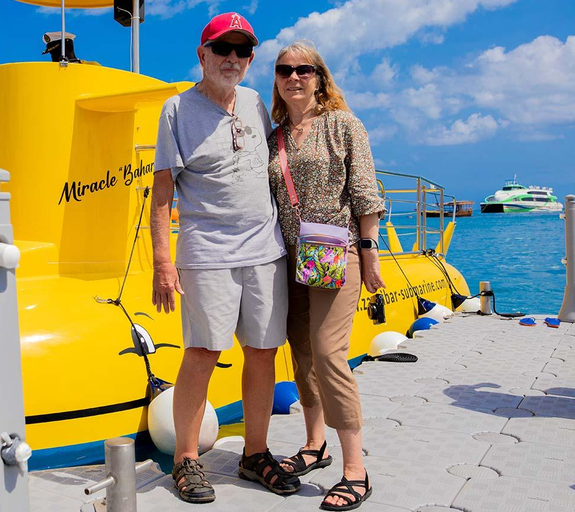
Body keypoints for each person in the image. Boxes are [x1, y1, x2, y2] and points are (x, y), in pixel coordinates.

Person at [151, 12, 301, 505]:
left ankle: (255, 454)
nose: (231, 59)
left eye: (241, 51)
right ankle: (187, 459)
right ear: (202, 55)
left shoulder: (257, 102)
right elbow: (162, 194)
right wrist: (162, 263)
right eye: (222, 49)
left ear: (250, 58)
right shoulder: (175, 110)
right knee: (203, 353)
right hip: (207, 253)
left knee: (262, 352)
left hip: (265, 251)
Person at [267, 42, 385, 511]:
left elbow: (363, 190)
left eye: (303, 70)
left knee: (329, 351)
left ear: (319, 77)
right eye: (284, 70)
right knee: (301, 349)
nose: (294, 77)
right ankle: (314, 445)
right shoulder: (276, 136)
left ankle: (355, 469)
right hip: (291, 255)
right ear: (276, 78)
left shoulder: (344, 125)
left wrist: (370, 252)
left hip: (337, 251)